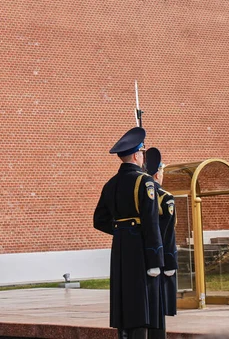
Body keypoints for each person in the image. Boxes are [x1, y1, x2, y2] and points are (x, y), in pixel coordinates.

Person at [93, 127, 164, 339]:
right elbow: (151, 223)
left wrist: (121, 231)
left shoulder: (110, 184)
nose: (144, 156)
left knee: (124, 300)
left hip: (121, 248)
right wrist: (155, 259)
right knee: (143, 304)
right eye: (142, 152)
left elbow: (99, 220)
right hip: (141, 249)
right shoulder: (145, 182)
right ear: (136, 155)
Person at [146, 148, 178, 320]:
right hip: (164, 256)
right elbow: (167, 233)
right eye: (162, 171)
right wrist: (170, 259)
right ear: (157, 174)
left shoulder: (144, 194)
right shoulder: (166, 198)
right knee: (162, 307)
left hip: (148, 256)